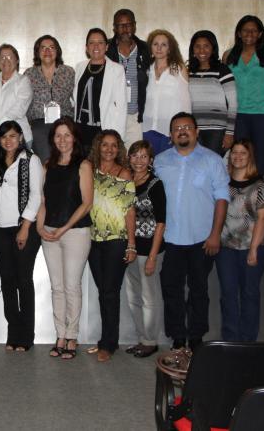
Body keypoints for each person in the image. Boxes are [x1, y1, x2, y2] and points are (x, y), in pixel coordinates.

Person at [153, 112, 229, 353]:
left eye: (187, 127)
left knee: (199, 289)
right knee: (171, 288)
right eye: (177, 128)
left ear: (196, 132)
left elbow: (222, 198)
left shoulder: (213, 160)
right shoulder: (160, 161)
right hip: (171, 238)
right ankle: (177, 335)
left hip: (202, 238)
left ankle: (196, 335)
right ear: (170, 135)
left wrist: (215, 234)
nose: (182, 131)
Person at [37, 117, 93, 360]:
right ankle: (60, 334)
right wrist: (40, 226)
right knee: (57, 288)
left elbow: (87, 204)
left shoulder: (84, 165)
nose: (62, 140)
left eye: (66, 135)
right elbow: (42, 201)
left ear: (74, 138)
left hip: (76, 232)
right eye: (58, 135)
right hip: (49, 232)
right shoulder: (47, 165)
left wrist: (63, 229)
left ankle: (72, 335)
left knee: (71, 286)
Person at [0, 121, 43, 352]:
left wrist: (25, 227)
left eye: (12, 136)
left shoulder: (31, 160)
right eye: (4, 137)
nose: (8, 140)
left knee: (23, 281)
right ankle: (13, 333)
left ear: (20, 137)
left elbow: (36, 196)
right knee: (7, 282)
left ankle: (26, 335)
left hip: (23, 228)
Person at [87, 130, 137, 362]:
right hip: (93, 239)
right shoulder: (90, 171)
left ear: (119, 149)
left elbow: (129, 210)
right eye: (105, 145)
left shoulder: (124, 172)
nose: (109, 149)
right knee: (103, 291)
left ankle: (108, 343)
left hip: (116, 240)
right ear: (98, 147)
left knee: (110, 291)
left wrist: (131, 244)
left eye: (113, 146)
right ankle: (106, 340)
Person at [217, 138, 264, 342]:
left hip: (252, 247)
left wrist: (254, 249)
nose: (238, 156)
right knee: (228, 294)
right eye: (235, 152)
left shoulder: (259, 185)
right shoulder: (222, 182)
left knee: (249, 294)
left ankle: (248, 340)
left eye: (243, 153)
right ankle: (230, 339)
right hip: (226, 247)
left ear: (250, 157)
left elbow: (263, 218)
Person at [225, 15, 264, 177]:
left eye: (254, 30)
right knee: (239, 159)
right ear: (239, 33)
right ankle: (240, 198)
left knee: (260, 161)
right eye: (245, 30)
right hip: (238, 115)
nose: (249, 33)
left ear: (260, 34)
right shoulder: (228, 56)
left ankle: (259, 199)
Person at [124, 140, 166, 358]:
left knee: (150, 297)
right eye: (134, 156)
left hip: (150, 249)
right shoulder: (125, 181)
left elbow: (161, 223)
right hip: (130, 249)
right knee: (133, 296)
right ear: (129, 158)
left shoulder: (155, 184)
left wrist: (152, 257)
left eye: (143, 156)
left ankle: (151, 341)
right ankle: (141, 338)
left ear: (150, 160)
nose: (138, 160)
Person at [72, 28, 127, 155]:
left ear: (106, 46)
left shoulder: (116, 70)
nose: (96, 46)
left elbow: (121, 107)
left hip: (103, 132)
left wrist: (117, 139)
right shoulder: (80, 67)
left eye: (100, 42)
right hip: (80, 132)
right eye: (91, 42)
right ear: (86, 47)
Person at [0, 43, 33, 163]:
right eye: (2, 57)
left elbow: (18, 109)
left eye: (10, 57)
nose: (6, 60)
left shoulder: (23, 81)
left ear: (17, 60)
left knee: (17, 175)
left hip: (17, 138)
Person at [24, 35, 75, 161]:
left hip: (64, 123)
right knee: (45, 163)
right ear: (37, 52)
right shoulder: (29, 74)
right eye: (43, 48)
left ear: (57, 52)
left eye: (51, 48)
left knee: (65, 162)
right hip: (39, 125)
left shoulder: (69, 72)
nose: (47, 51)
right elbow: (23, 103)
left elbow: (77, 99)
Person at [141, 29, 190, 156]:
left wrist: (183, 129)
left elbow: (186, 103)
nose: (159, 48)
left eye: (164, 45)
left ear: (170, 49)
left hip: (169, 130)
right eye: (155, 44)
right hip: (146, 128)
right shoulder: (146, 70)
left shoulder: (178, 69)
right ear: (150, 48)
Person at [106, 9, 152, 146]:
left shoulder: (145, 48)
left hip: (134, 116)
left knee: (134, 158)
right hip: (112, 116)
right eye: (121, 25)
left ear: (135, 25)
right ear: (114, 28)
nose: (125, 29)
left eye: (128, 24)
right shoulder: (106, 49)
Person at [187, 30, 237, 156]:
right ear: (192, 49)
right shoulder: (188, 72)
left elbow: (234, 103)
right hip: (194, 130)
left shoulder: (222, 70)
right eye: (197, 46)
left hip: (217, 130)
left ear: (213, 48)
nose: (202, 50)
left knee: (212, 166)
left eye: (206, 46)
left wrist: (230, 133)